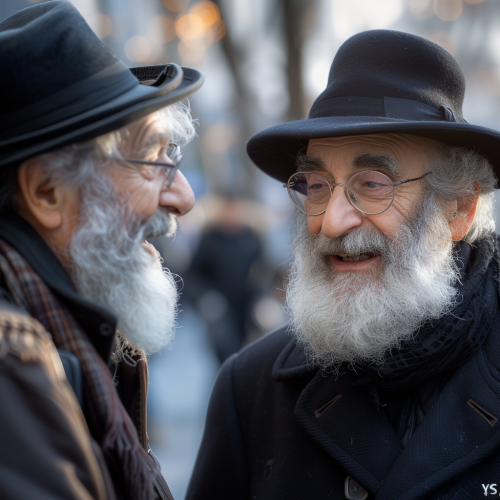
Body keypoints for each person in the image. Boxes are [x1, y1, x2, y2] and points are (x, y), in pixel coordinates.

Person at [187, 30, 500, 500]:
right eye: (315, 185)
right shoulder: (249, 389)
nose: (331, 222)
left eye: (373, 183)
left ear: (458, 209)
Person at [0, 2, 203, 499]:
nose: (183, 197)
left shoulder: (50, 344)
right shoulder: (13, 361)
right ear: (48, 191)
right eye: (154, 160)